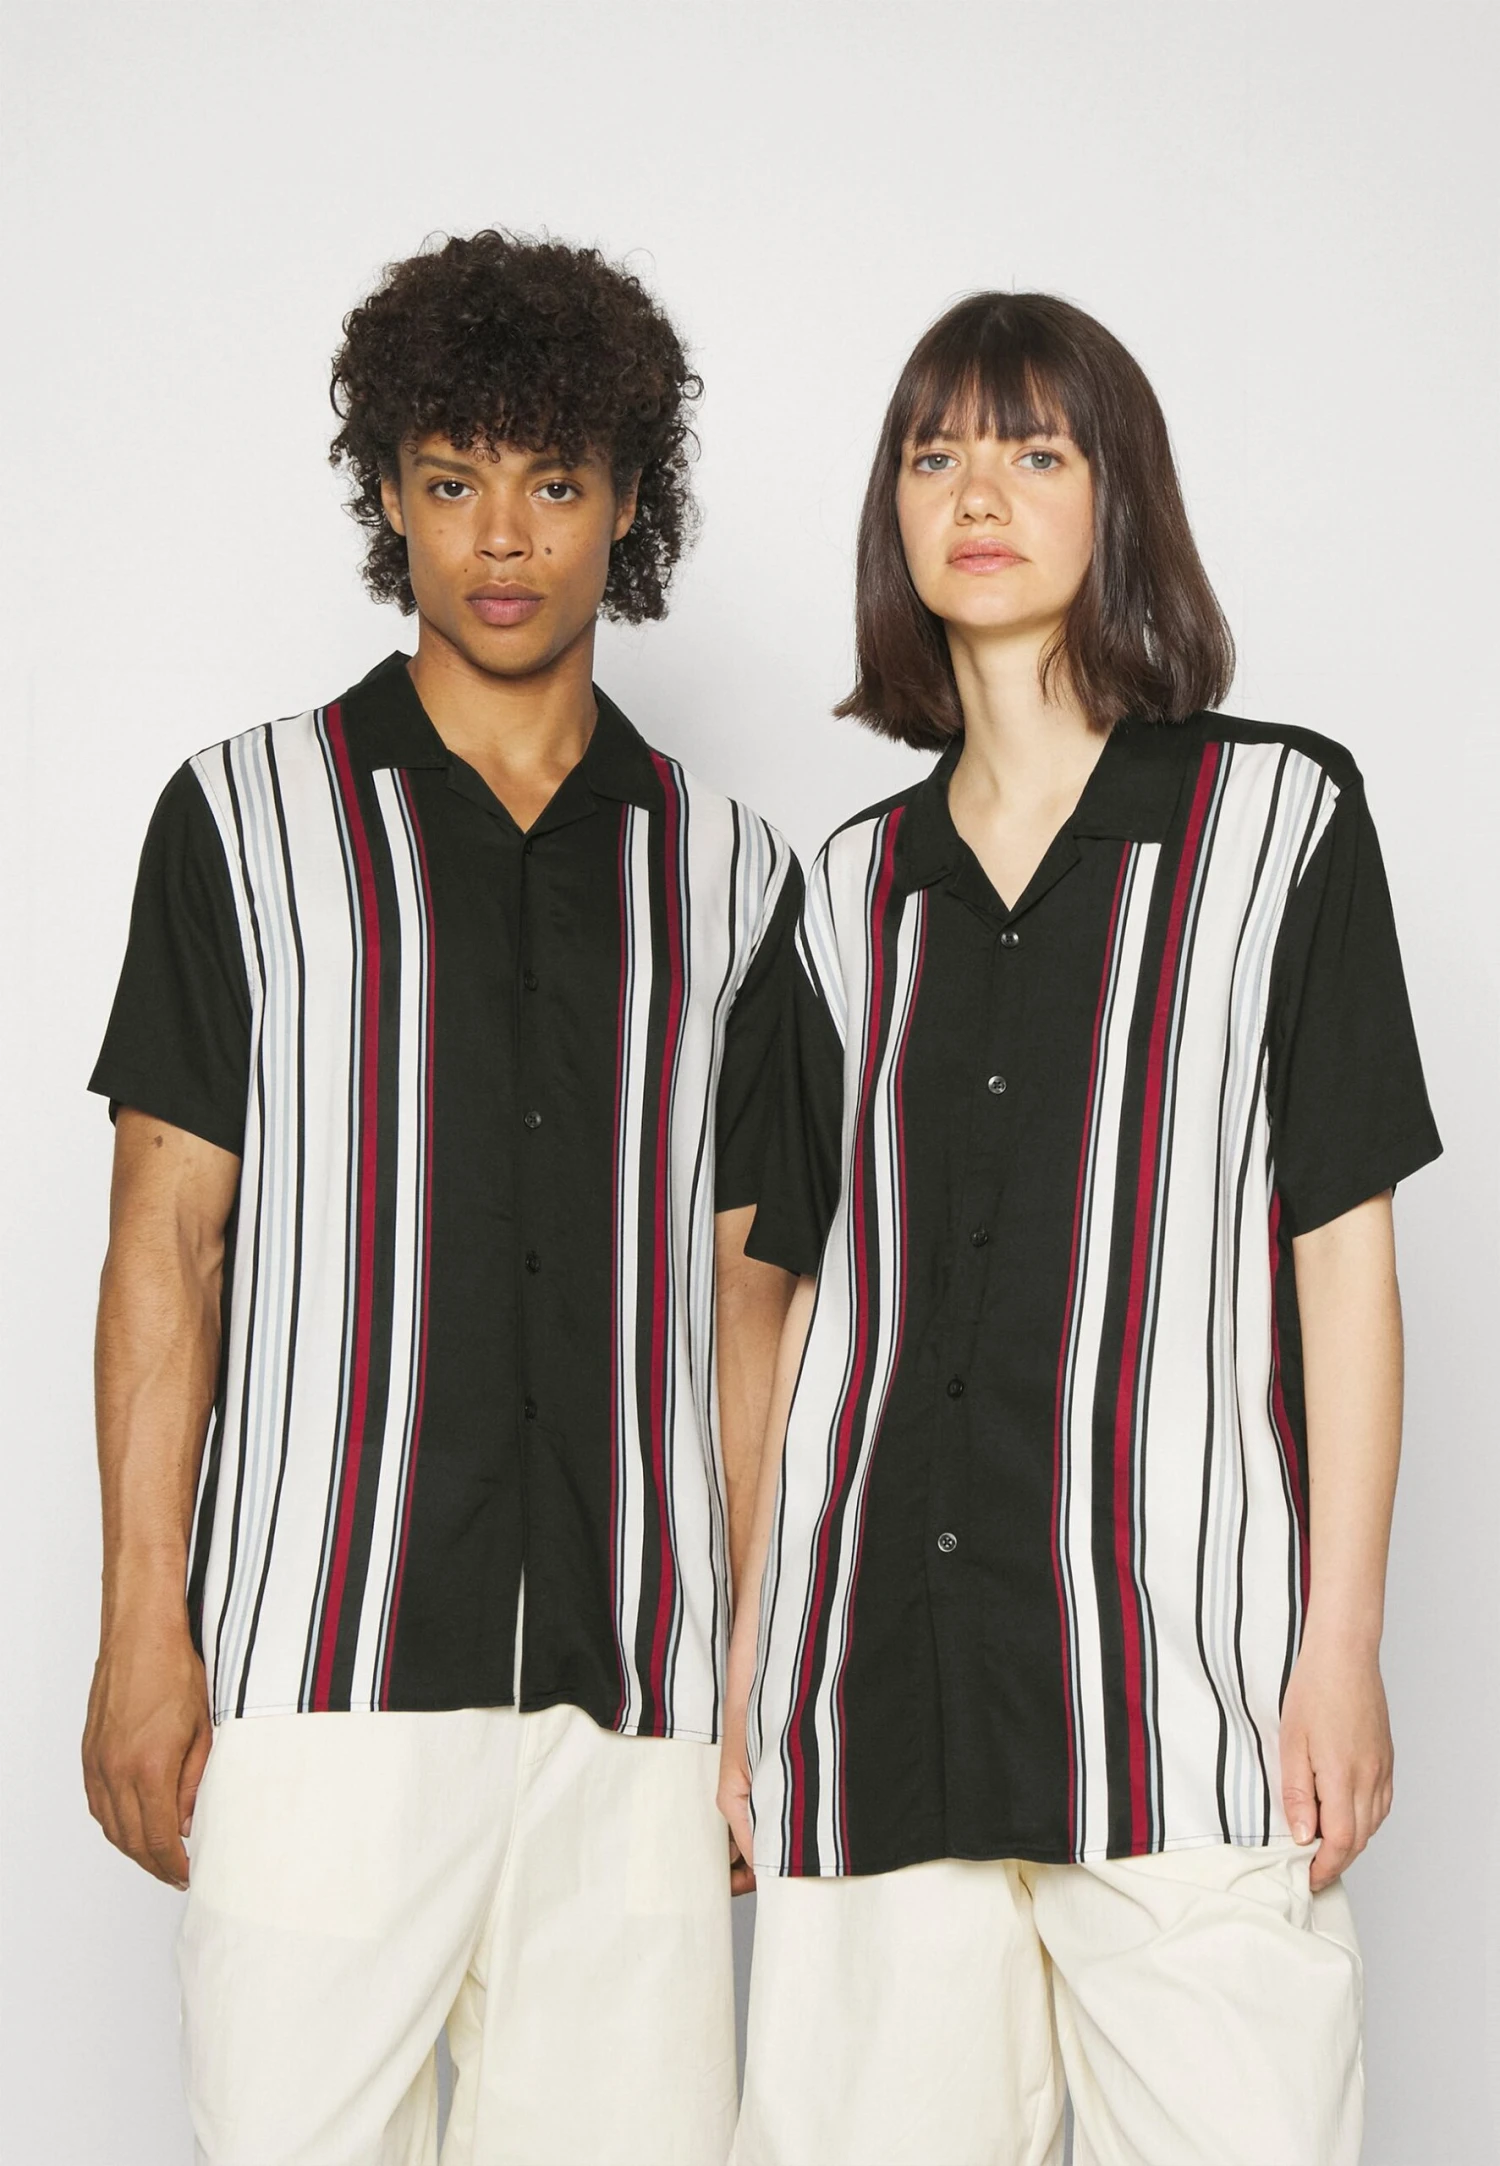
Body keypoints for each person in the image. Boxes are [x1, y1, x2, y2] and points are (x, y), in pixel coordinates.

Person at [83, 229, 798, 2166]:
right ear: (389, 491)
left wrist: (761, 1679)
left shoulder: (737, 878)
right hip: (318, 1697)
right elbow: (168, 1243)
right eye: (455, 477)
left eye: (556, 483)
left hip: (636, 1722)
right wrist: (142, 1625)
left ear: (629, 503)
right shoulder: (240, 821)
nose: (502, 537)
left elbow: (753, 1309)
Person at [722, 291, 1440, 2166]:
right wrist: (743, 1674)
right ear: (892, 511)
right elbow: (771, 1310)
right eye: (936, 452)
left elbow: (1343, 1257)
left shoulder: (1277, 822)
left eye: (1036, 449)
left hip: (1183, 1698)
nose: (979, 492)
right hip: (872, 1702)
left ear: (1119, 496)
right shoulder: (843, 897)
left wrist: (1343, 1640)